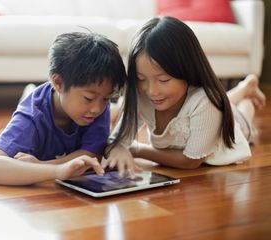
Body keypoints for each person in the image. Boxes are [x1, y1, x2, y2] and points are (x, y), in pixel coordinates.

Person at [104, 16, 266, 177]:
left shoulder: (207, 102)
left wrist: (136, 150)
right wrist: (118, 148)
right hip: (205, 109)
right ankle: (244, 88)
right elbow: (116, 140)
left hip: (231, 124)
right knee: (214, 105)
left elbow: (190, 162)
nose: (152, 91)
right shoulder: (141, 96)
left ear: (187, 71)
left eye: (163, 80)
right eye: (141, 79)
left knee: (242, 114)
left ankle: (246, 95)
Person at [0, 32, 127, 185]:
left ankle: (117, 106)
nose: (98, 108)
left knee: (111, 113)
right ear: (58, 83)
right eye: (88, 98)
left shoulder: (96, 103)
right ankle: (29, 91)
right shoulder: (32, 114)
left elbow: (93, 155)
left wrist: (43, 166)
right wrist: (57, 171)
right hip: (37, 103)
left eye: (107, 98)